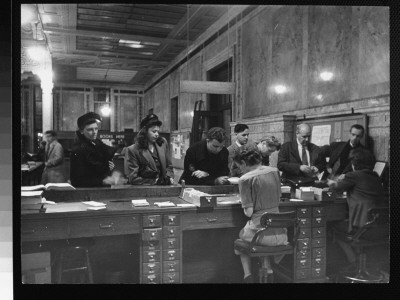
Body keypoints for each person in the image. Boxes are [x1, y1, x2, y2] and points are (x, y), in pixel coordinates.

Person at [233, 144, 288, 283]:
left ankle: (247, 275)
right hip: (281, 233)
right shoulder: (274, 171)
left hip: (261, 232)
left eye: (239, 166)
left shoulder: (245, 179)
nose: (240, 169)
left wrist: (244, 201)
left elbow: (248, 212)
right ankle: (268, 270)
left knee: (241, 239)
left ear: (244, 163)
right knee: (261, 232)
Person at [327, 148, 385, 269]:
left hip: (363, 229)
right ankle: (361, 264)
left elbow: (334, 188)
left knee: (330, 226)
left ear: (353, 164)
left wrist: (334, 181)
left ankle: (352, 261)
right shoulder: (375, 177)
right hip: (381, 229)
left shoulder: (353, 175)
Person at [70, 112, 116, 187]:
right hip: (89, 192)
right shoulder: (78, 149)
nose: (94, 132)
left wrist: (110, 167)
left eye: (96, 129)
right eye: (90, 130)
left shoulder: (98, 145)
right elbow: (76, 180)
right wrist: (102, 181)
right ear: (81, 131)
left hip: (102, 190)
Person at [125, 114, 174, 185]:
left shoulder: (163, 143)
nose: (157, 134)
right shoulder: (133, 150)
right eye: (154, 132)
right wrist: (156, 181)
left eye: (158, 131)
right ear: (145, 131)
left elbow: (169, 166)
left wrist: (169, 178)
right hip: (145, 190)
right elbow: (133, 178)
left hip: (164, 188)